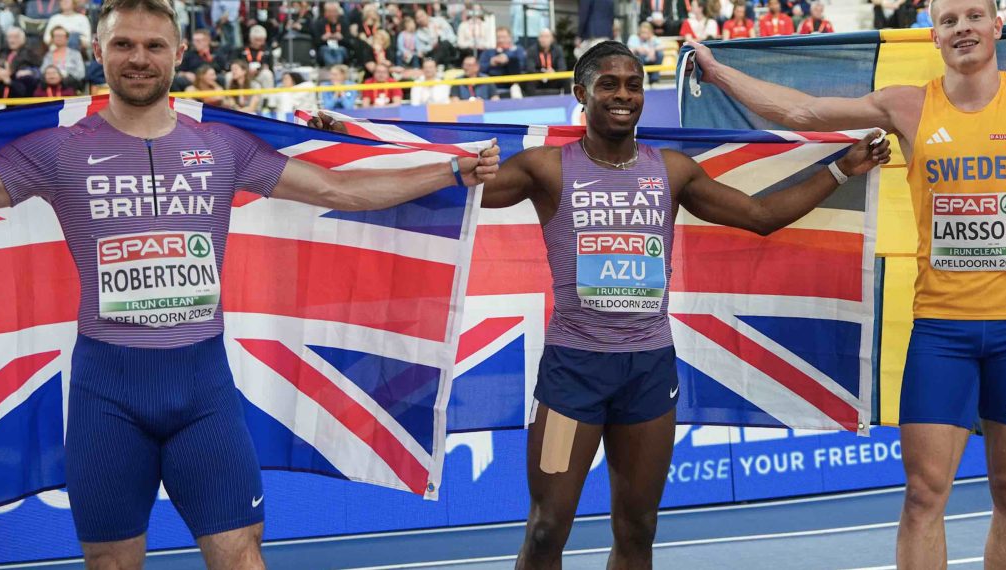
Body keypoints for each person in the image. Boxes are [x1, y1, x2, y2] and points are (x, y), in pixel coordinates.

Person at [320, 40, 888, 569]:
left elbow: (760, 217)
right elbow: (451, 183)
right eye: (609, 85)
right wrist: (349, 142)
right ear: (581, 94)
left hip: (647, 376)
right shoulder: (547, 168)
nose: (623, 96)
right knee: (546, 530)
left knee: (638, 529)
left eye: (634, 85)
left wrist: (843, 166)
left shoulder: (671, 170)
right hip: (573, 378)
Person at [0, 2, 498, 569]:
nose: (139, 58)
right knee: (110, 562)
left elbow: (340, 192)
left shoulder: (223, 147)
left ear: (179, 54)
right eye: (123, 45)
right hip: (105, 392)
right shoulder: (57, 151)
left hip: (202, 390)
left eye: (154, 46)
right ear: (98, 51)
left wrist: (452, 171)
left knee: (240, 555)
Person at [687, 0, 1006, 565]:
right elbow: (802, 111)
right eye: (949, 21)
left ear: (998, 25)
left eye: (974, 17)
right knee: (923, 495)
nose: (962, 28)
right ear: (932, 37)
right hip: (942, 332)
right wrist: (718, 70)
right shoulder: (908, 105)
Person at [525, 27, 568, 95]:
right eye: (541, 36)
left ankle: (567, 102)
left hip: (553, 78)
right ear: (538, 39)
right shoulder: (531, 50)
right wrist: (543, 73)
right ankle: (531, 103)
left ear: (552, 39)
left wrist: (554, 72)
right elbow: (530, 69)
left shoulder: (558, 50)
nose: (544, 39)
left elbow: (563, 67)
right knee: (529, 81)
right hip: (538, 79)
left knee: (566, 79)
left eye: (547, 37)